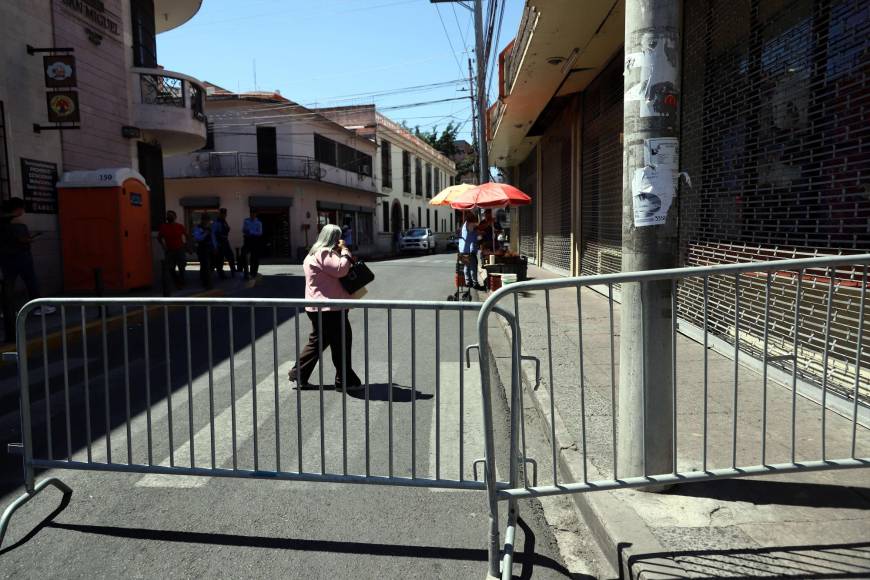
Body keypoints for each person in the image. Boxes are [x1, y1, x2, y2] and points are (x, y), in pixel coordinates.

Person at [288, 224, 363, 392]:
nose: (339, 241)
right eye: (338, 238)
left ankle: (299, 373)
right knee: (342, 343)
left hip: (321, 307)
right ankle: (345, 380)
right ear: (333, 238)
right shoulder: (323, 253)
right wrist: (345, 251)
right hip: (329, 308)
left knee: (319, 341)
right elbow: (340, 270)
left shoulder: (313, 253)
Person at [0, 198, 55, 318]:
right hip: (21, 256)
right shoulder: (17, 223)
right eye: (22, 208)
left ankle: (6, 310)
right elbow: (23, 239)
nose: (23, 211)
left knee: (8, 284)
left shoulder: (3, 222)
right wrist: (32, 238)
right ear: (18, 209)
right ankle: (38, 307)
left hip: (5, 258)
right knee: (31, 282)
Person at [157, 210, 188, 288]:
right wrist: (164, 246)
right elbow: (159, 238)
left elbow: (187, 236)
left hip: (180, 249)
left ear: (175, 217)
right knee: (170, 268)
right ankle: (176, 281)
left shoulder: (180, 226)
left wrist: (186, 245)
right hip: (169, 250)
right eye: (168, 215)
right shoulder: (163, 227)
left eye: (171, 215)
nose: (169, 217)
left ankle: (182, 282)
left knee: (182, 267)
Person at [458, 211, 483, 290]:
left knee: (466, 266)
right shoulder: (470, 225)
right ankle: (475, 283)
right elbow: (476, 228)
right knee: (473, 267)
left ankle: (468, 282)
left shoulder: (464, 226)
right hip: (469, 250)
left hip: (462, 250)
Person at [211, 207, 237, 279]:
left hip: (225, 241)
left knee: (231, 257)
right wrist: (215, 245)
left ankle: (233, 272)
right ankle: (221, 275)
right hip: (219, 243)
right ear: (219, 214)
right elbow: (213, 234)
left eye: (225, 214)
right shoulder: (216, 222)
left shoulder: (224, 221)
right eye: (222, 214)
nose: (224, 215)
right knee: (220, 260)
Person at [241, 209, 263, 279]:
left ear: (256, 214)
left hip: (255, 240)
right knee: (244, 256)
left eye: (254, 213)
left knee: (255, 257)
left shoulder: (258, 222)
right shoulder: (246, 220)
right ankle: (246, 273)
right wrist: (245, 231)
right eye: (251, 213)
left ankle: (254, 273)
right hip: (247, 240)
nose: (252, 215)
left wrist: (251, 232)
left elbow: (260, 232)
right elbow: (243, 229)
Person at [192, 214, 213, 289]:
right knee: (205, 265)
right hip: (201, 248)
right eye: (206, 220)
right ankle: (207, 283)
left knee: (207, 265)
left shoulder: (208, 228)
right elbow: (198, 238)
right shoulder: (198, 228)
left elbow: (212, 238)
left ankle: (205, 281)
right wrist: (205, 233)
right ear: (203, 220)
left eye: (208, 221)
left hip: (209, 248)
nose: (207, 222)